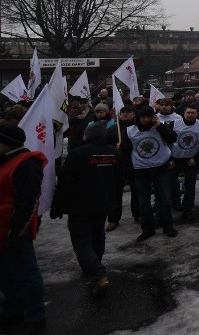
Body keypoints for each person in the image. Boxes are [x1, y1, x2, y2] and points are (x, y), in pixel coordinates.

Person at [50, 121, 123, 297]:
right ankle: (93, 268)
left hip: (80, 205)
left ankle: (98, 273)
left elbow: (66, 182)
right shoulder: (115, 153)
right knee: (98, 235)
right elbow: (119, 181)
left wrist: (57, 205)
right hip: (103, 203)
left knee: (82, 241)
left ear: (87, 135)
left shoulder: (78, 153)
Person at [0, 125, 48, 334]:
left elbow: (28, 203)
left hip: (14, 231)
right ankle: (13, 310)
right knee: (5, 275)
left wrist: (17, 234)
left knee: (26, 275)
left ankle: (35, 316)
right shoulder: (4, 160)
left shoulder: (26, 164)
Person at [128, 105, 179, 242]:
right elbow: (126, 151)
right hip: (141, 171)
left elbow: (172, 139)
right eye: (143, 117)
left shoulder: (159, 127)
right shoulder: (130, 131)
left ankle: (167, 226)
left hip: (160, 168)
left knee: (164, 200)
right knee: (144, 202)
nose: (145, 119)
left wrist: (159, 126)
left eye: (148, 117)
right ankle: (147, 228)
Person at [170, 104, 199, 221]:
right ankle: (176, 202)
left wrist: (196, 159)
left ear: (197, 114)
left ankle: (188, 209)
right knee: (171, 183)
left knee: (190, 186)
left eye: (193, 113)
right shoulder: (174, 124)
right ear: (184, 113)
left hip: (191, 160)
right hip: (175, 159)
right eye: (188, 113)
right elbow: (166, 141)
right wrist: (169, 159)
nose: (190, 115)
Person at [105, 105, 138, 230]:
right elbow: (105, 146)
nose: (125, 114)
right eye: (122, 112)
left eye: (128, 111)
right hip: (117, 165)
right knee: (115, 192)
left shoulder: (136, 128)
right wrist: (114, 147)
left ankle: (137, 213)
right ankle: (113, 218)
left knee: (137, 190)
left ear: (133, 114)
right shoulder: (112, 130)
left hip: (134, 163)